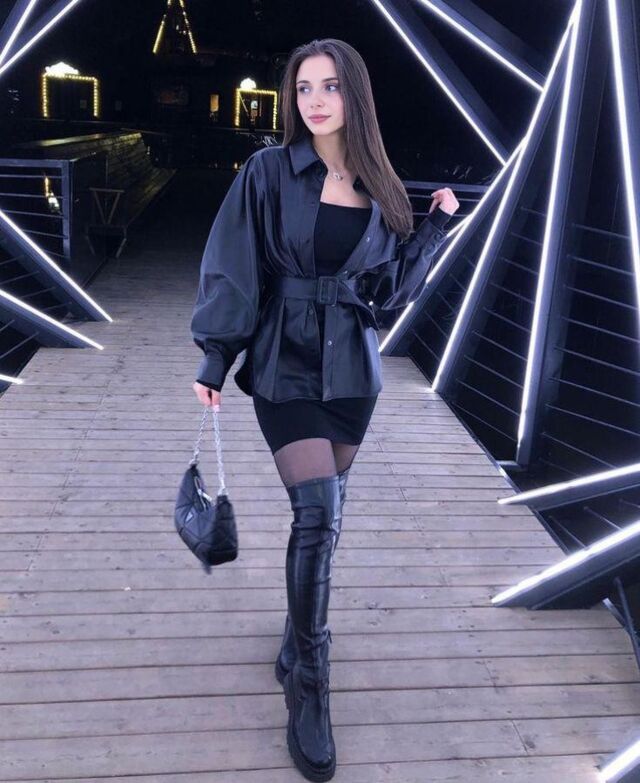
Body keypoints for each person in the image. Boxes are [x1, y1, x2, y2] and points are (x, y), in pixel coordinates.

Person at [191, 37, 459, 782]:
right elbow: (233, 263)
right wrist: (215, 355)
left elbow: (388, 293)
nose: (314, 100)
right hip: (283, 364)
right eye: (303, 87)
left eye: (330, 86)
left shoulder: (380, 182)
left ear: (354, 96)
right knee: (316, 514)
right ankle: (310, 684)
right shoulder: (268, 172)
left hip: (352, 374)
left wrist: (433, 228)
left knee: (326, 520)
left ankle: (293, 637)